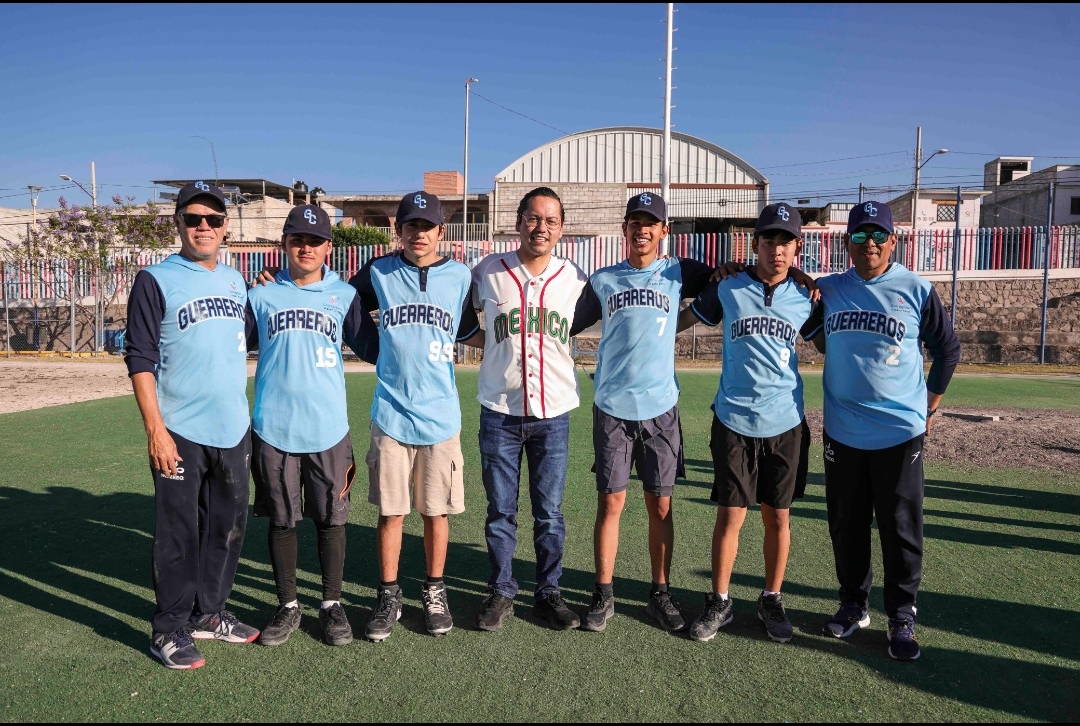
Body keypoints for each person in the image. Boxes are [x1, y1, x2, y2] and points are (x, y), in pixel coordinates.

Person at [802, 200, 960, 661]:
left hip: (899, 432)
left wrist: (931, 406)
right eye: (859, 235)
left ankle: (902, 614)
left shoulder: (916, 288)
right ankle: (854, 604)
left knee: (900, 527)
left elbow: (947, 349)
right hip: (843, 430)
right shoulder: (829, 289)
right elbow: (807, 324)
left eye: (877, 235)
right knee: (846, 524)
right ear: (846, 242)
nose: (868, 243)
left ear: (893, 240)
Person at [125, 181, 260, 669]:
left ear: (226, 227)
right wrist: (155, 430)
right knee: (179, 532)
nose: (204, 226)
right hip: (179, 427)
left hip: (233, 426)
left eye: (214, 219)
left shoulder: (236, 282)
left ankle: (210, 613)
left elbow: (246, 336)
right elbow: (139, 357)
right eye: (194, 218)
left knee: (227, 528)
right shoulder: (155, 279)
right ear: (178, 222)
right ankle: (169, 628)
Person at [572, 192, 715, 633]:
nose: (642, 230)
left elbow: (725, 280)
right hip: (613, 408)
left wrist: (686, 319)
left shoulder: (678, 272)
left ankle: (660, 593)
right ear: (624, 229)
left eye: (650, 223)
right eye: (635, 222)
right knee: (610, 502)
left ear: (664, 230)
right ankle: (603, 592)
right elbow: (566, 323)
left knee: (661, 505)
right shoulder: (604, 280)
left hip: (661, 409)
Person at [680, 203, 816, 644]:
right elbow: (686, 317)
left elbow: (834, 344)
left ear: (797, 247)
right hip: (734, 419)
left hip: (785, 422)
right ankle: (720, 600)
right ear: (754, 244)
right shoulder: (729, 285)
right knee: (730, 515)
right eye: (769, 240)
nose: (777, 250)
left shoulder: (808, 296)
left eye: (786, 242)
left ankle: (771, 598)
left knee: (779, 517)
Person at [349, 192, 481, 642]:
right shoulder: (380, 271)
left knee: (435, 512)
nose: (418, 234)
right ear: (398, 231)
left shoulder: (459, 275)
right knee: (391, 513)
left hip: (440, 415)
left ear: (441, 231)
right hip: (391, 412)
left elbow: (469, 328)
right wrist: (371, 348)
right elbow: (341, 302)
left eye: (427, 226)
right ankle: (389, 594)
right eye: (410, 226)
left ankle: (434, 590)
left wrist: (514, 341)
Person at [247, 204, 379, 648]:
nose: (306, 247)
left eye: (315, 240)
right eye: (297, 239)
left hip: (327, 429)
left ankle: (331, 604)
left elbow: (375, 348)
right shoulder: (261, 295)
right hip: (274, 428)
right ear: (284, 243)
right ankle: (287, 605)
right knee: (282, 521)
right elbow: (229, 344)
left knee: (331, 519)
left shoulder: (344, 295)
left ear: (328, 247)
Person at [471, 186, 593, 632]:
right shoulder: (488, 271)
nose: (541, 227)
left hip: (553, 412)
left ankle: (548, 592)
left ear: (561, 229)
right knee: (500, 511)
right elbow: (462, 322)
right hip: (500, 409)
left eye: (551, 221)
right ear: (518, 221)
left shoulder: (576, 278)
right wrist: (491, 348)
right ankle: (502, 590)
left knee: (550, 513)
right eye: (533, 218)